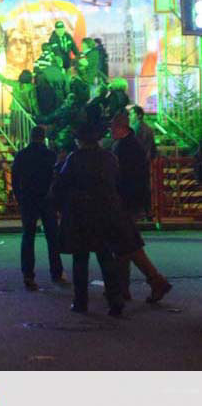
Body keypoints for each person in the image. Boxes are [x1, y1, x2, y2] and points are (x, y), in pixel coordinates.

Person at [51, 121, 127, 315]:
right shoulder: (109, 158)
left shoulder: (74, 159)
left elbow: (61, 185)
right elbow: (118, 183)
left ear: (80, 141)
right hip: (105, 213)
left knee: (80, 260)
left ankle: (81, 301)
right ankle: (115, 300)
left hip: (81, 214)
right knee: (106, 257)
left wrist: (60, 206)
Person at [110, 111, 171, 302]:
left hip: (127, 201)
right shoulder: (129, 145)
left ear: (121, 128)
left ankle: (154, 281)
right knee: (126, 244)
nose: (110, 131)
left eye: (112, 128)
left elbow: (126, 177)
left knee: (127, 245)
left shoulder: (126, 147)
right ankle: (128, 286)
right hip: (131, 200)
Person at [11, 125, 66, 289]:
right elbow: (56, 178)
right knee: (52, 237)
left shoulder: (22, 155)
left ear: (30, 137)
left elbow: (15, 178)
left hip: (28, 198)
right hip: (47, 199)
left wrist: (19, 197)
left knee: (28, 236)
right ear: (44, 138)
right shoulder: (50, 155)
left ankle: (28, 274)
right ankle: (56, 272)